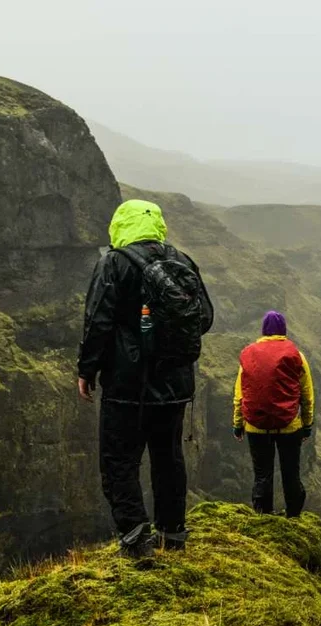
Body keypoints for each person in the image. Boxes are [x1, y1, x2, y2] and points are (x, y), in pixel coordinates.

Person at [78, 199, 213, 557]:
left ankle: (136, 542)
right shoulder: (181, 262)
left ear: (120, 225)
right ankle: (173, 537)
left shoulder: (113, 263)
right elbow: (205, 319)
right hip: (174, 386)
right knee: (168, 459)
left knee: (119, 461)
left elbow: (98, 322)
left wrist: (86, 369)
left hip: (127, 386)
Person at [233, 311, 315, 517]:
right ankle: (294, 515)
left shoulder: (249, 354)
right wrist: (307, 424)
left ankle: (263, 514)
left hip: (256, 426)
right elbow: (307, 393)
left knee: (262, 474)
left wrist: (238, 423)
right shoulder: (296, 355)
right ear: (284, 330)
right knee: (291, 474)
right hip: (289, 426)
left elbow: (240, 393)